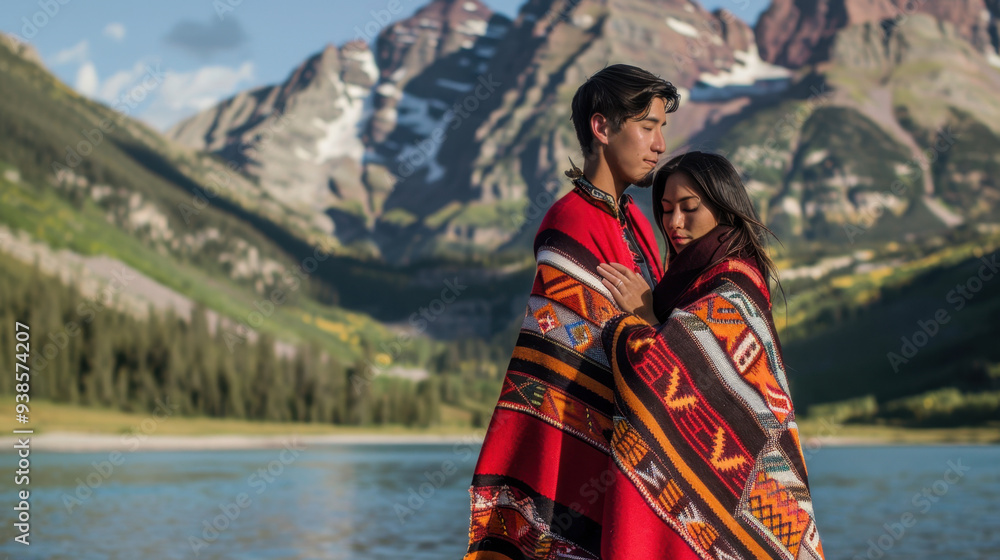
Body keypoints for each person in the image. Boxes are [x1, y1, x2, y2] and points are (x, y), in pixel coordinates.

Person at [464, 64, 680, 559]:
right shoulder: (572, 223)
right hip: (586, 458)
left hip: (636, 452)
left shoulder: (638, 225)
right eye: (648, 126)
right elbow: (565, 367)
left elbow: (650, 328)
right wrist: (647, 324)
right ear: (602, 129)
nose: (660, 145)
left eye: (662, 128)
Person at [595, 152, 826, 559]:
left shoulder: (732, 283)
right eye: (666, 210)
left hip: (749, 486)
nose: (674, 223)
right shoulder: (692, 278)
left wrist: (642, 318)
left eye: (689, 208)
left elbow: (660, 372)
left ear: (722, 207)